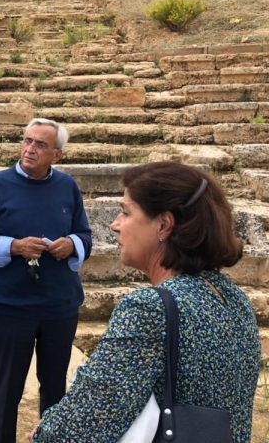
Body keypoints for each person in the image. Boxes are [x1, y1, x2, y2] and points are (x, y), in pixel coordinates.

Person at [29, 161, 261, 443]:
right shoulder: (234, 300)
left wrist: (42, 435)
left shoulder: (150, 308)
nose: (115, 225)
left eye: (126, 212)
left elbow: (89, 416)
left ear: (163, 224)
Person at [0, 117, 92, 443]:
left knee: (54, 388)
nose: (30, 149)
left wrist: (72, 245)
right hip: (12, 305)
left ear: (57, 156)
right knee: (7, 388)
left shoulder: (67, 186)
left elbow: (85, 237)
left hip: (59, 304)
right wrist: (14, 246)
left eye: (40, 144)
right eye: (27, 140)